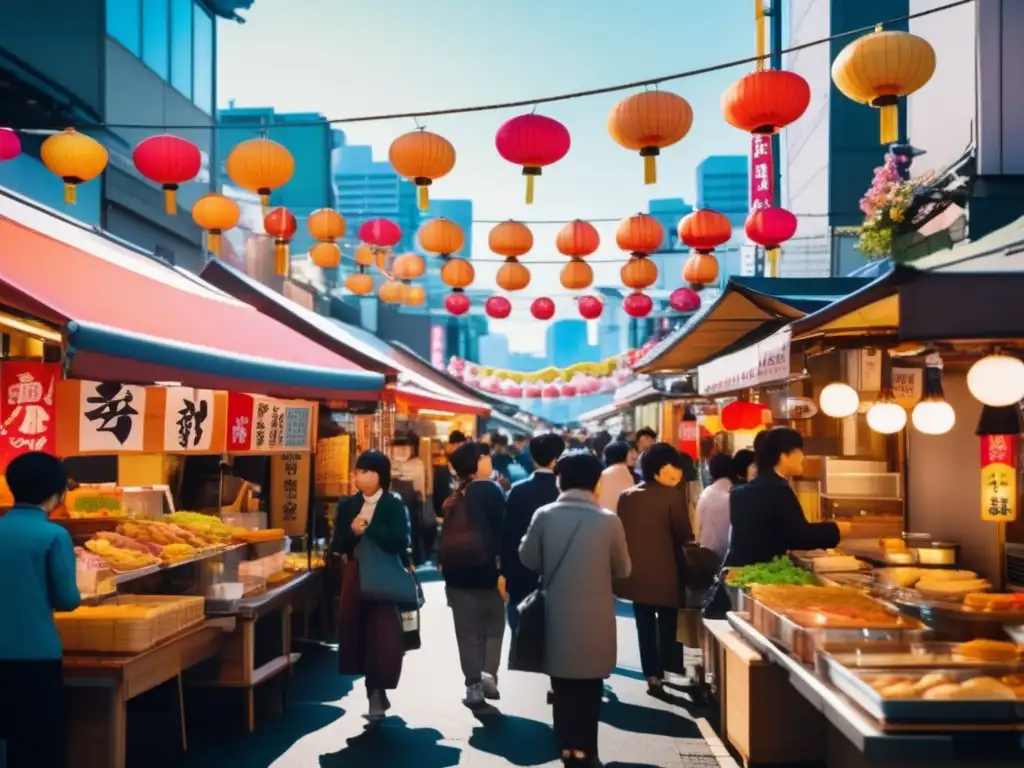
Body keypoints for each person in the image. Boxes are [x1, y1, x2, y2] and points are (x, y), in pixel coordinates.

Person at [519, 451, 631, 767]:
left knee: (562, 685)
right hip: (596, 617)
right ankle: (586, 750)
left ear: (560, 480)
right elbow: (623, 568)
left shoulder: (544, 515)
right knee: (590, 686)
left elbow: (528, 558)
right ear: (596, 482)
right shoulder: (609, 520)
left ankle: (566, 748)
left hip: (555, 614)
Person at [0, 452, 80, 768]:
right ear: (58, 493)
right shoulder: (53, 535)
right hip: (36, 654)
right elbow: (67, 599)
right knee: (38, 744)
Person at [333, 450, 411, 721]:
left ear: (382, 476)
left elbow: (400, 540)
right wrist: (352, 533)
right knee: (357, 632)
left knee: (384, 637)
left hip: (384, 576)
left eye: (367, 471)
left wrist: (370, 529)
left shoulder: (393, 504)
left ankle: (377, 691)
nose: (360, 475)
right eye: (358, 471)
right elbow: (338, 546)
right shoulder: (346, 505)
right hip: (356, 576)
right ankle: (372, 689)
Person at [615, 442, 694, 693]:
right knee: (668, 620)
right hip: (666, 572)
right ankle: (671, 667)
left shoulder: (626, 496)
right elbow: (684, 534)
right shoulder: (672, 495)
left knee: (645, 624)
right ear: (661, 468)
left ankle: (652, 674)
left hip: (637, 573)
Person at [441, 441, 506, 707]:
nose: (490, 460)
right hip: (489, 571)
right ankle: (488, 673)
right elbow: (503, 530)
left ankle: (473, 686)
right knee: (493, 628)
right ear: (475, 464)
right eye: (485, 457)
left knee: (467, 633)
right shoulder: (490, 489)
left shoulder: (457, 494)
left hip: (457, 575)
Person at [723, 428, 842, 568]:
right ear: (783, 456)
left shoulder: (744, 490)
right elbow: (799, 537)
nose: (803, 457)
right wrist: (838, 529)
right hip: (760, 575)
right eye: (799, 451)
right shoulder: (778, 489)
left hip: (738, 572)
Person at [501, 432, 565, 633]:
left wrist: (504, 572)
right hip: (559, 572)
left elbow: (507, 535)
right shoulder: (565, 491)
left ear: (533, 457)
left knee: (522, 629)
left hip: (521, 570)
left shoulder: (517, 491)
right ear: (557, 459)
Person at [695, 453, 734, 560]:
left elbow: (697, 528)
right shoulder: (734, 495)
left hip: (705, 556)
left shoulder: (705, 494)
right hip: (728, 557)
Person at [432, 430, 467, 519]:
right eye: (457, 445)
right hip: (447, 515)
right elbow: (438, 495)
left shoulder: (466, 472)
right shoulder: (442, 471)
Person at [597, 440, 635, 512]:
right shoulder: (622, 471)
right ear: (623, 454)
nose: (633, 456)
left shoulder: (604, 473)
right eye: (630, 452)